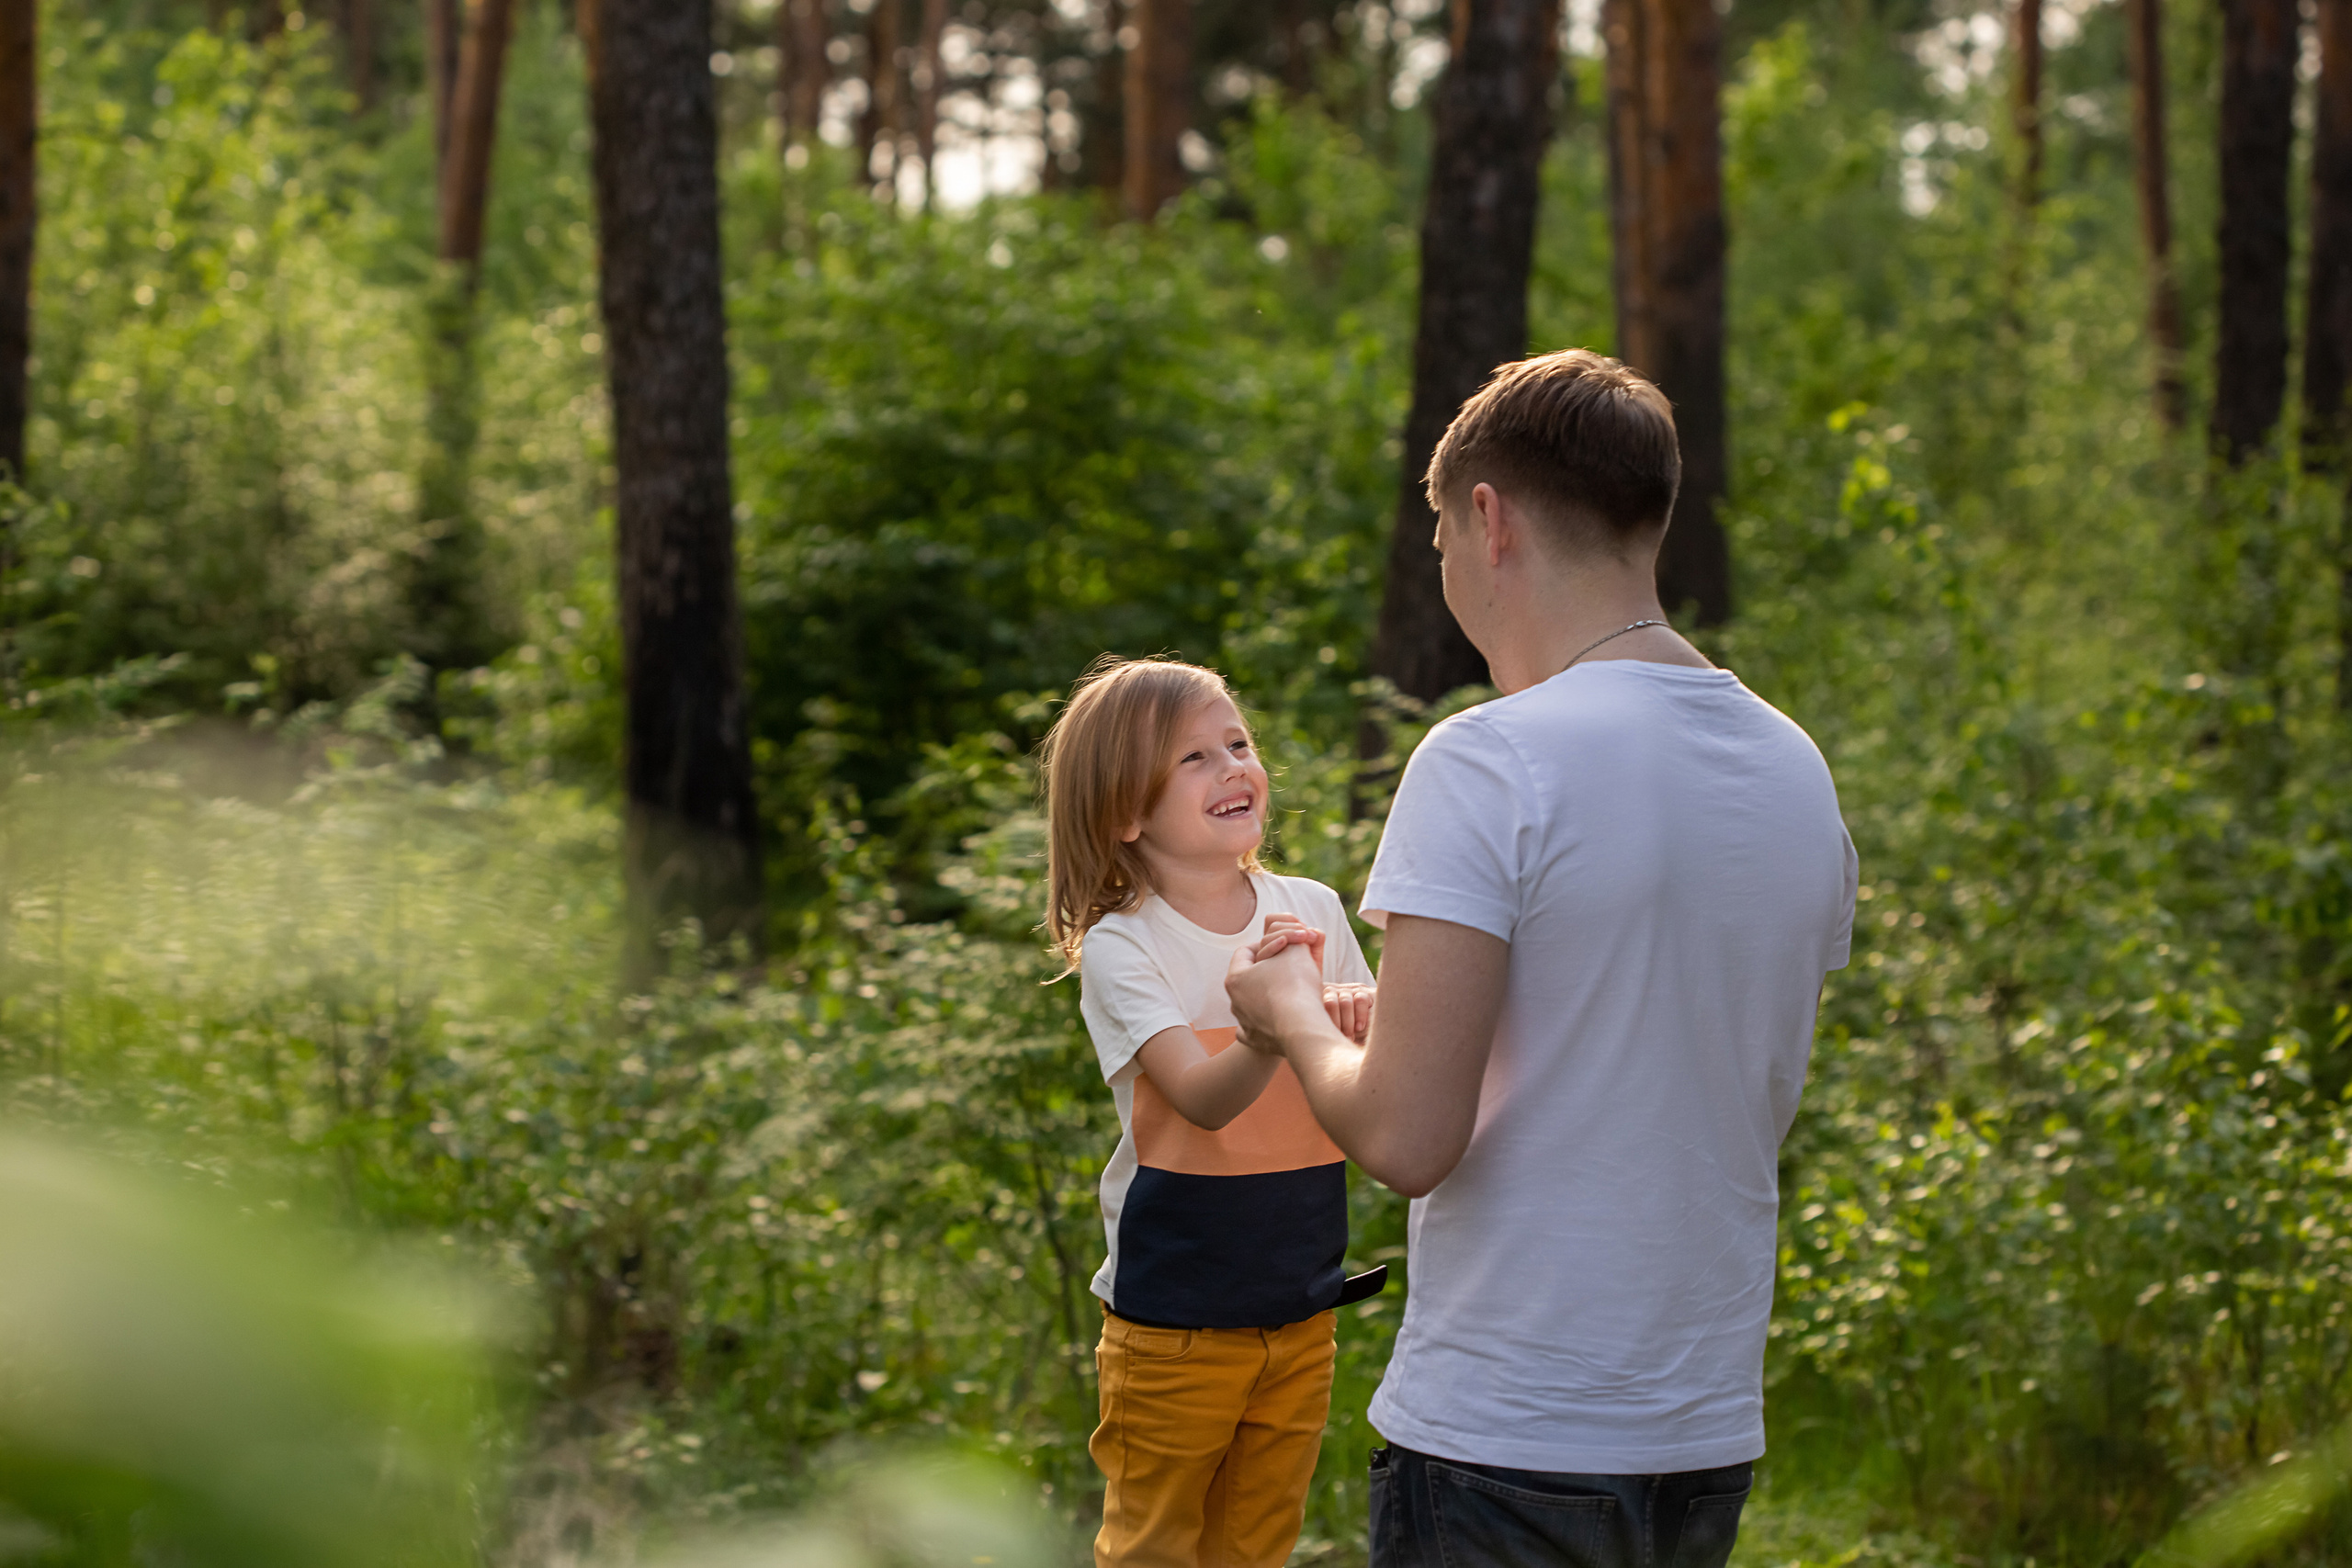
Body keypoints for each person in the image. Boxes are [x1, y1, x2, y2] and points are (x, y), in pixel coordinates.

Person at [1225, 349, 1859, 1568]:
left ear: (1487, 516)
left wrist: (1294, 1010)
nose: (1447, 569)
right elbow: (1654, 1046)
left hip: (1509, 1433)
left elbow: (1410, 1139)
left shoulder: (1487, 759)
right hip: (1703, 1428)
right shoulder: (1794, 765)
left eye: (1440, 538)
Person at [1039, 656, 1380, 1568]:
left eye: (1237, 743)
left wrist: (1347, 1023)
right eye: (1193, 758)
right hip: (1174, 1322)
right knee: (1154, 1547)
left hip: (1299, 1301)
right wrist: (1271, 1027)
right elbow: (1197, 1099)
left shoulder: (1308, 909)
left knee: (1256, 1546)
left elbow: (1368, 1077)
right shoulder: (1123, 945)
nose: (1232, 766)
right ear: (1125, 812)